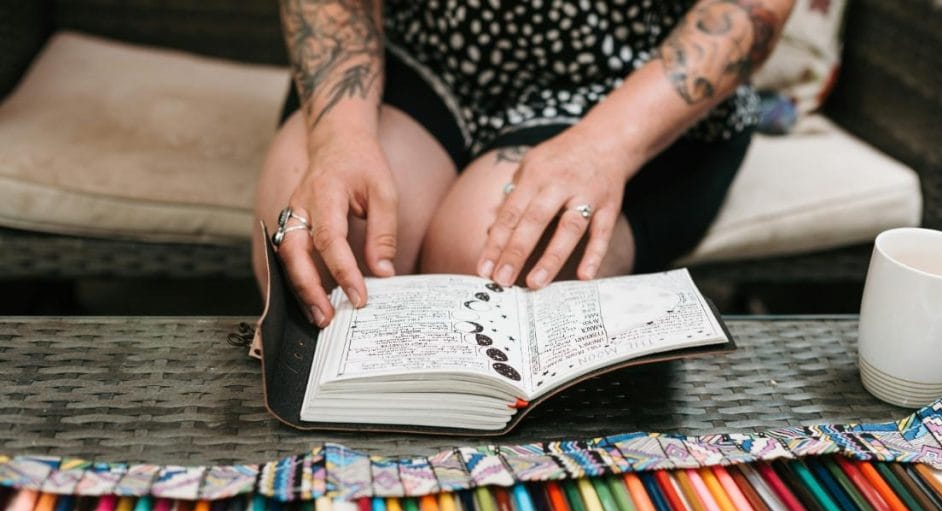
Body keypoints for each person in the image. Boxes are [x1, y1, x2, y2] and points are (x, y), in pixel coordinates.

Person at [253, 0, 794, 327]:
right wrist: (339, 138)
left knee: (491, 275)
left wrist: (604, 146)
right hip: (414, 54)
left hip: (627, 76)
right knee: (327, 264)